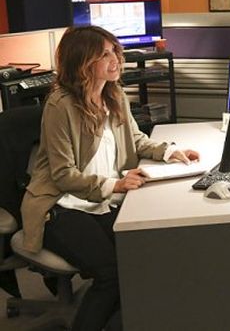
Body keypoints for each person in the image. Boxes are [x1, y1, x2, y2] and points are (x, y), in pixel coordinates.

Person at [20, 26, 199, 331]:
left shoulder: (113, 95)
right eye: (104, 54)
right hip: (61, 206)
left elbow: (135, 139)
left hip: (102, 202)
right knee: (112, 274)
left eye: (114, 51)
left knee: (142, 260)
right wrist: (114, 184)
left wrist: (170, 152)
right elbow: (62, 175)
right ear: (82, 62)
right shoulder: (60, 105)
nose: (115, 59)